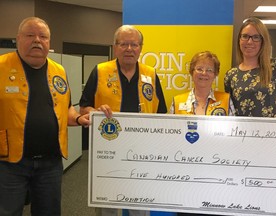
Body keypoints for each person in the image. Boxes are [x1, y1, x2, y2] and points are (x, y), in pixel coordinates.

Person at [0, 17, 90, 216]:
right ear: (18, 39)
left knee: (49, 212)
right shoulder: (1, 67)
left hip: (51, 163)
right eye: (30, 35)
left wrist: (77, 119)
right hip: (9, 163)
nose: (37, 40)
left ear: (49, 42)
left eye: (43, 36)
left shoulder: (59, 70)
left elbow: (65, 109)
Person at [79, 25, 167, 216]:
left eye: (134, 44)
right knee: (107, 204)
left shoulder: (150, 74)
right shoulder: (100, 71)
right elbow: (84, 106)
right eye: (124, 44)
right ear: (115, 46)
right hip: (108, 150)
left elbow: (161, 112)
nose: (129, 49)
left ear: (141, 48)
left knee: (139, 204)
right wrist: (95, 111)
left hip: (142, 152)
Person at [224, 17, 276, 117]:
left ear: (263, 41)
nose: (249, 42)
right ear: (239, 40)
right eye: (245, 36)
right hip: (241, 131)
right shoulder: (231, 75)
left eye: (256, 37)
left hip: (273, 131)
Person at [170, 51, 234, 116]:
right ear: (192, 72)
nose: (204, 73)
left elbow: (234, 126)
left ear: (215, 74)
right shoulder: (177, 102)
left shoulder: (226, 100)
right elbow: (170, 125)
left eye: (209, 70)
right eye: (199, 69)